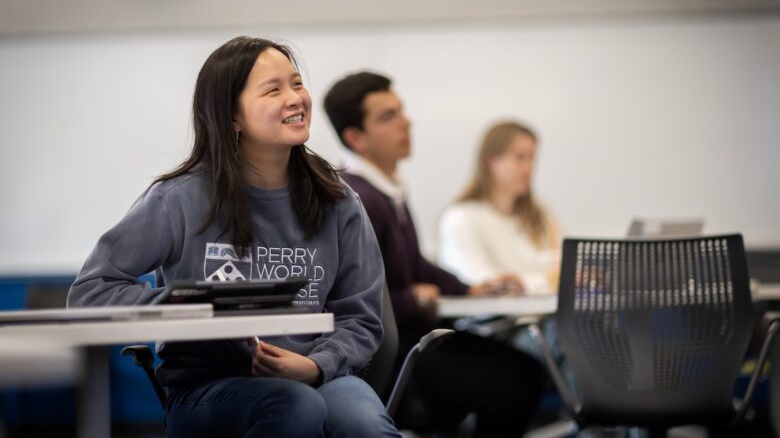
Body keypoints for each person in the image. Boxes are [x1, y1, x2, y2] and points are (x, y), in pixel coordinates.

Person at [67, 37, 401, 438]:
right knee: (294, 406)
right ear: (232, 117)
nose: (295, 98)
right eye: (273, 90)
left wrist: (317, 365)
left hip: (319, 374)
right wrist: (192, 306)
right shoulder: (179, 198)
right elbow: (91, 291)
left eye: (297, 84)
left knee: (364, 423)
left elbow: (360, 317)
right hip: (209, 388)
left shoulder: (338, 199)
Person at [323, 71, 543, 437]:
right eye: (388, 116)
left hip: (419, 338)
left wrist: (471, 289)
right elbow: (344, 301)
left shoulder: (388, 190)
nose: (407, 122)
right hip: (395, 356)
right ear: (356, 138)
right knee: (517, 379)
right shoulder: (356, 199)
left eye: (401, 111)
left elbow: (415, 264)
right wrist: (410, 299)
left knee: (523, 370)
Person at [438, 121, 560, 293]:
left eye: (532, 158)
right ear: (490, 161)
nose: (529, 169)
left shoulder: (541, 215)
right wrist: (546, 282)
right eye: (520, 158)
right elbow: (479, 282)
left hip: (545, 316)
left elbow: (560, 269)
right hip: (491, 318)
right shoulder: (461, 217)